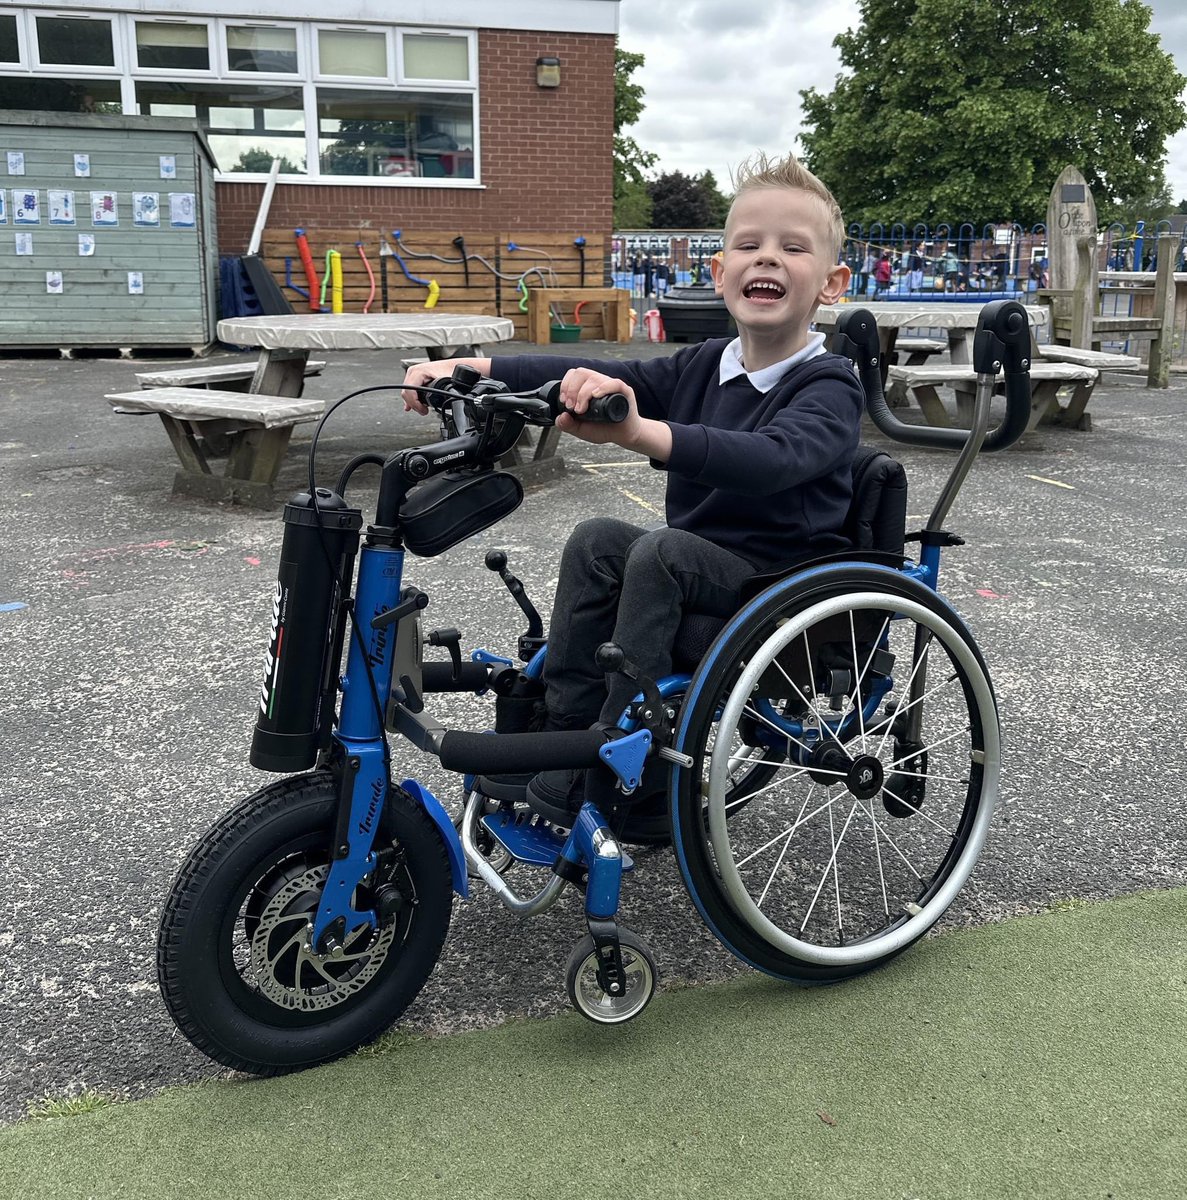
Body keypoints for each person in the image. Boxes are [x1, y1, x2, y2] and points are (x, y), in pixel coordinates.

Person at [401, 150, 861, 824]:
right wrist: (472, 366)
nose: (766, 258)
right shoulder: (708, 363)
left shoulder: (829, 384)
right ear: (718, 272)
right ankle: (566, 723)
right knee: (597, 541)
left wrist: (640, 433)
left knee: (661, 551)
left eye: (792, 247)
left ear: (830, 283)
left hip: (778, 578)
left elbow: (772, 459)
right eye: (747, 245)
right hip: (698, 561)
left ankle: (624, 745)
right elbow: (594, 367)